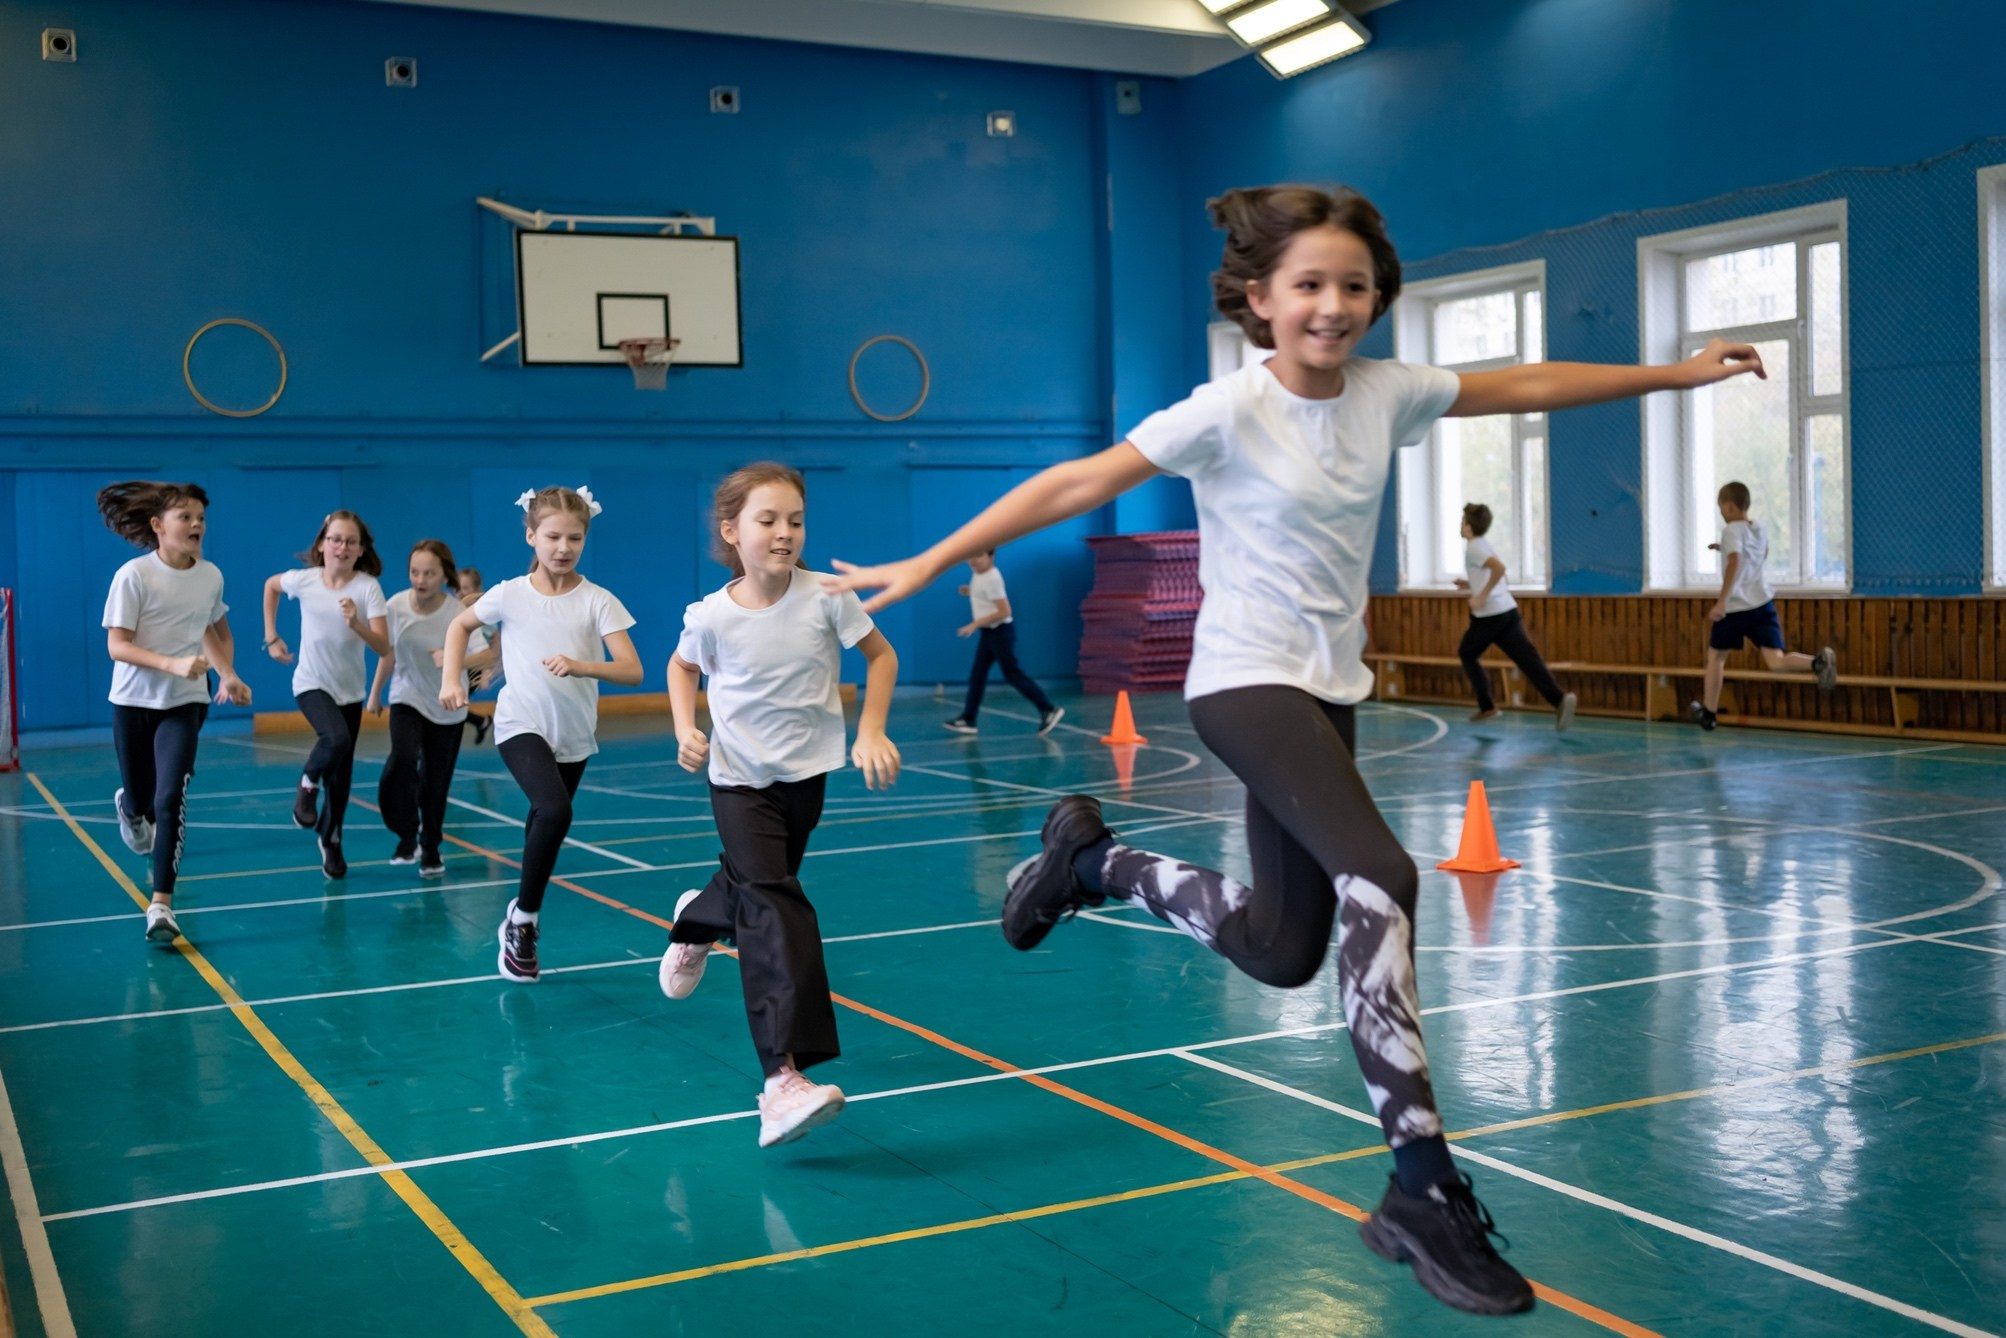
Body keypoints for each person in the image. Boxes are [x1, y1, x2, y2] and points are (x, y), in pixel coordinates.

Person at [824, 184, 1770, 1317]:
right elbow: (1080, 481)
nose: (1333, 306)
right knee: (1385, 873)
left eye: (1354, 287)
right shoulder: (1223, 410)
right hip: (1240, 680)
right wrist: (931, 562)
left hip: (1327, 692)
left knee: (1279, 948)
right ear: (1259, 300)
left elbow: (1523, 381)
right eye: (1309, 286)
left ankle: (1092, 864)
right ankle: (1419, 1189)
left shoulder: (1388, 393)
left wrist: (1671, 375)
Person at [659, 462, 901, 1148]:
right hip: (737, 780)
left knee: (756, 891)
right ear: (732, 531)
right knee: (775, 907)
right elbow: (680, 667)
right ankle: (781, 1080)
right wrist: (685, 728)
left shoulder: (826, 596)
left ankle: (699, 919)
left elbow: (880, 658)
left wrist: (872, 728)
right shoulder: (711, 616)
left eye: (795, 520)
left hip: (806, 781)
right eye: (768, 520)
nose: (785, 532)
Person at [440, 486, 641, 982]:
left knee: (545, 823)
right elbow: (458, 627)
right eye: (552, 536)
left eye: (575, 538)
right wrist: (451, 679)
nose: (563, 548)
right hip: (519, 723)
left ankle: (519, 913)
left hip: (573, 732)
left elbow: (633, 670)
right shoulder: (510, 593)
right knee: (554, 809)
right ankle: (525, 921)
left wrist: (580, 665)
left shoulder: (598, 601)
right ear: (531, 535)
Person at [97, 481, 252, 943]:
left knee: (171, 800)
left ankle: (160, 904)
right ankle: (129, 806)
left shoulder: (210, 576)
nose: (196, 524)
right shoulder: (134, 576)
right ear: (157, 526)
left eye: (201, 517)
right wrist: (171, 663)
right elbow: (116, 645)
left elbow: (214, 630)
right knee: (144, 798)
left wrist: (227, 673)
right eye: (185, 517)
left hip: (185, 703)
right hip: (133, 702)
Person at [263, 510, 390, 880]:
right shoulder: (303, 580)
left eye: (351, 541)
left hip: (349, 692)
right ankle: (306, 785)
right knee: (334, 738)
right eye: (335, 539)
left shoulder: (367, 588)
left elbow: (383, 646)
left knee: (343, 778)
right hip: (310, 683)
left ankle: (331, 838)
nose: (342, 547)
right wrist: (272, 636)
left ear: (361, 549)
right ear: (322, 544)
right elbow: (271, 586)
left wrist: (356, 624)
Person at [367, 539, 493, 877]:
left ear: (444, 576)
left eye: (429, 573)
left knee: (436, 783)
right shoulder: (395, 606)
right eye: (414, 572)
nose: (420, 579)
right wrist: (375, 693)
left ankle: (431, 848)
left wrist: (455, 659)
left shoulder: (458, 614)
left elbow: (489, 654)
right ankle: (407, 835)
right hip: (407, 696)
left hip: (449, 704)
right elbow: (388, 653)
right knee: (403, 759)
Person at [1688, 480, 1838, 731]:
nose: (1722, 513)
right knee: (1776, 661)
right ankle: (1816, 663)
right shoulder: (1759, 528)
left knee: (1716, 657)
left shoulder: (1731, 530)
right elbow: (1757, 554)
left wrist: (1721, 602)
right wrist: (1722, 548)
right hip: (1762, 602)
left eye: (1721, 508)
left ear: (1728, 506)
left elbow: (1735, 560)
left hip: (1735, 606)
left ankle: (1709, 713)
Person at [1452, 503, 1575, 729]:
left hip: (1490, 615)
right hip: (1507, 611)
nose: (1460, 526)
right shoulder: (1484, 544)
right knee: (1527, 659)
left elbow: (1499, 569)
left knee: (1467, 652)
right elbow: (1496, 575)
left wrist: (1481, 596)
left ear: (1468, 527)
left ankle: (1487, 706)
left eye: (1462, 522)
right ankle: (1559, 699)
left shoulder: (1474, 548)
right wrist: (1471, 585)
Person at [942, 548, 1064, 736]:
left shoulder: (992, 578)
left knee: (1012, 674)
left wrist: (974, 624)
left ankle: (1048, 709)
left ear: (991, 557)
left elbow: (1004, 611)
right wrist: (970, 591)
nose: (973, 560)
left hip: (1000, 633)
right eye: (970, 556)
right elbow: (986, 594)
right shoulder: (978, 575)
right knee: (977, 675)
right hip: (989, 633)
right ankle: (968, 719)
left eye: (979, 555)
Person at [456, 566, 496, 745]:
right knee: (451, 705)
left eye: (464, 589)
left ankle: (481, 722)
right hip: (459, 667)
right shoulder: (455, 611)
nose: (459, 593)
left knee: (452, 704)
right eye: (457, 588)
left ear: (476, 589)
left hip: (473, 668)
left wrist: (486, 672)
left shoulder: (482, 614)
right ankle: (482, 722)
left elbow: (495, 641)